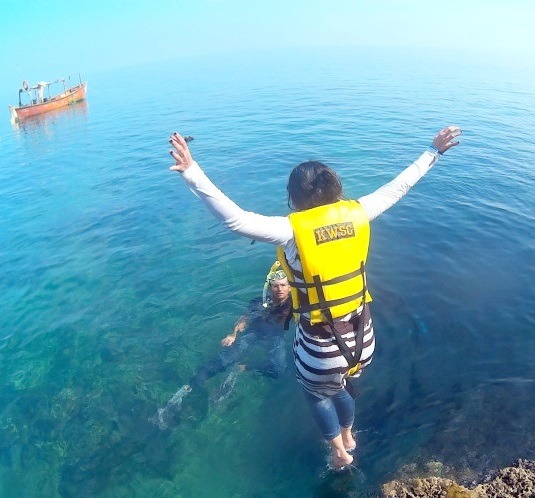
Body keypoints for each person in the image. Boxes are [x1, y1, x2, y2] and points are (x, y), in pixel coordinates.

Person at [168, 126, 461, 468]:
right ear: (335, 189)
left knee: (319, 395)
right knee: (344, 385)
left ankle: (340, 453)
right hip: (363, 337)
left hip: (321, 347)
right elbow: (398, 187)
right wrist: (433, 151)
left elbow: (235, 220)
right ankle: (349, 434)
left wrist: (191, 171)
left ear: (294, 198)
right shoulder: (360, 211)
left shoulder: (291, 231)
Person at [151, 268, 292, 429]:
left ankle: (243, 367)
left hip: (275, 338)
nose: (279, 289)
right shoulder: (259, 301)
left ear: (289, 287)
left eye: (283, 285)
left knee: (279, 370)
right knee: (222, 361)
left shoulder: (294, 304)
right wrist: (233, 334)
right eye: (275, 286)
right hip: (252, 334)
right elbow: (244, 319)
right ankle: (186, 388)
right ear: (270, 287)